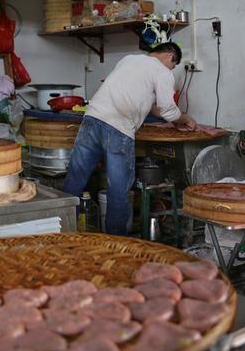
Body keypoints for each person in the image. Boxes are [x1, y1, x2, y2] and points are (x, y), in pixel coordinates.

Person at [63, 42, 197, 236]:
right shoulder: (162, 72)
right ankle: (117, 244)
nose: (171, 70)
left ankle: (62, 232)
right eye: (173, 66)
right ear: (170, 56)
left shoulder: (129, 59)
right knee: (118, 192)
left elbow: (152, 105)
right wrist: (185, 118)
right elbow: (168, 109)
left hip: (92, 119)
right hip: (118, 127)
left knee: (75, 179)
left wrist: (173, 120)